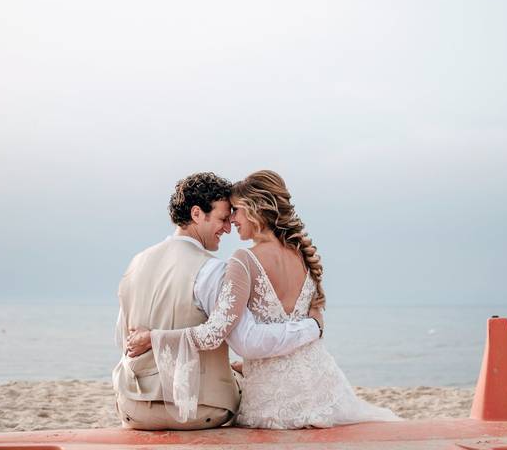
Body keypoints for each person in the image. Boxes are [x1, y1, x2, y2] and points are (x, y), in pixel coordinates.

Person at [134, 170, 398, 429]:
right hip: (325, 390)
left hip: (274, 401)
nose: (232, 221)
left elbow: (223, 335)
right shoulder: (301, 255)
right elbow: (293, 326)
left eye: (235, 210)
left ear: (254, 209)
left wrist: (155, 338)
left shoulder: (243, 260)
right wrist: (312, 328)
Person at [112, 172, 321, 430]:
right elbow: (244, 339)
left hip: (132, 409)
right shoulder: (211, 270)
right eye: (223, 218)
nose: (227, 227)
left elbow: (121, 340)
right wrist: (313, 326)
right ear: (197, 214)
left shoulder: (136, 263)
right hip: (197, 410)